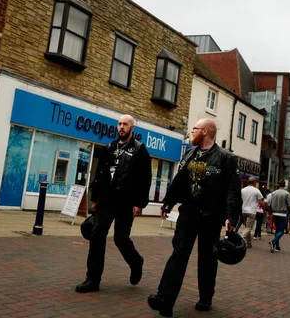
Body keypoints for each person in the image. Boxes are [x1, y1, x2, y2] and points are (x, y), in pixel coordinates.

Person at [147, 119, 241, 317]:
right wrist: (168, 202)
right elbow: (180, 181)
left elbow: (232, 190)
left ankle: (206, 297)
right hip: (188, 213)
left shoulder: (226, 158)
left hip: (211, 216)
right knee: (179, 253)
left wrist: (231, 218)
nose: (192, 132)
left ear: (205, 131)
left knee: (207, 258)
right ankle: (164, 300)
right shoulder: (189, 154)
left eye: (195, 129)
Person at [75, 115, 152, 293]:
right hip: (106, 200)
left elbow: (145, 179)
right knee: (97, 235)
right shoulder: (110, 147)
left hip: (126, 201)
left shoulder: (140, 150)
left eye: (125, 124)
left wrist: (139, 203)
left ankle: (136, 262)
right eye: (119, 124)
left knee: (120, 238)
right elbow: (100, 173)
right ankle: (92, 280)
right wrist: (95, 198)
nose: (121, 127)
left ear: (132, 128)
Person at [268, 180, 290, 253]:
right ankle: (273, 242)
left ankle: (277, 247)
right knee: (281, 231)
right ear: (285, 185)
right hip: (283, 214)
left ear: (278, 185)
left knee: (277, 230)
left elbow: (269, 203)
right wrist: (288, 211)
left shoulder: (273, 193)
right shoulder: (287, 194)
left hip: (275, 213)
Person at [240, 177, 263, 247]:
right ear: (254, 182)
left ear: (247, 182)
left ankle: (249, 243)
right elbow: (261, 202)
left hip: (243, 211)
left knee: (247, 227)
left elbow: (240, 200)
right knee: (248, 228)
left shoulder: (242, 190)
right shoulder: (256, 191)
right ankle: (241, 238)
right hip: (252, 211)